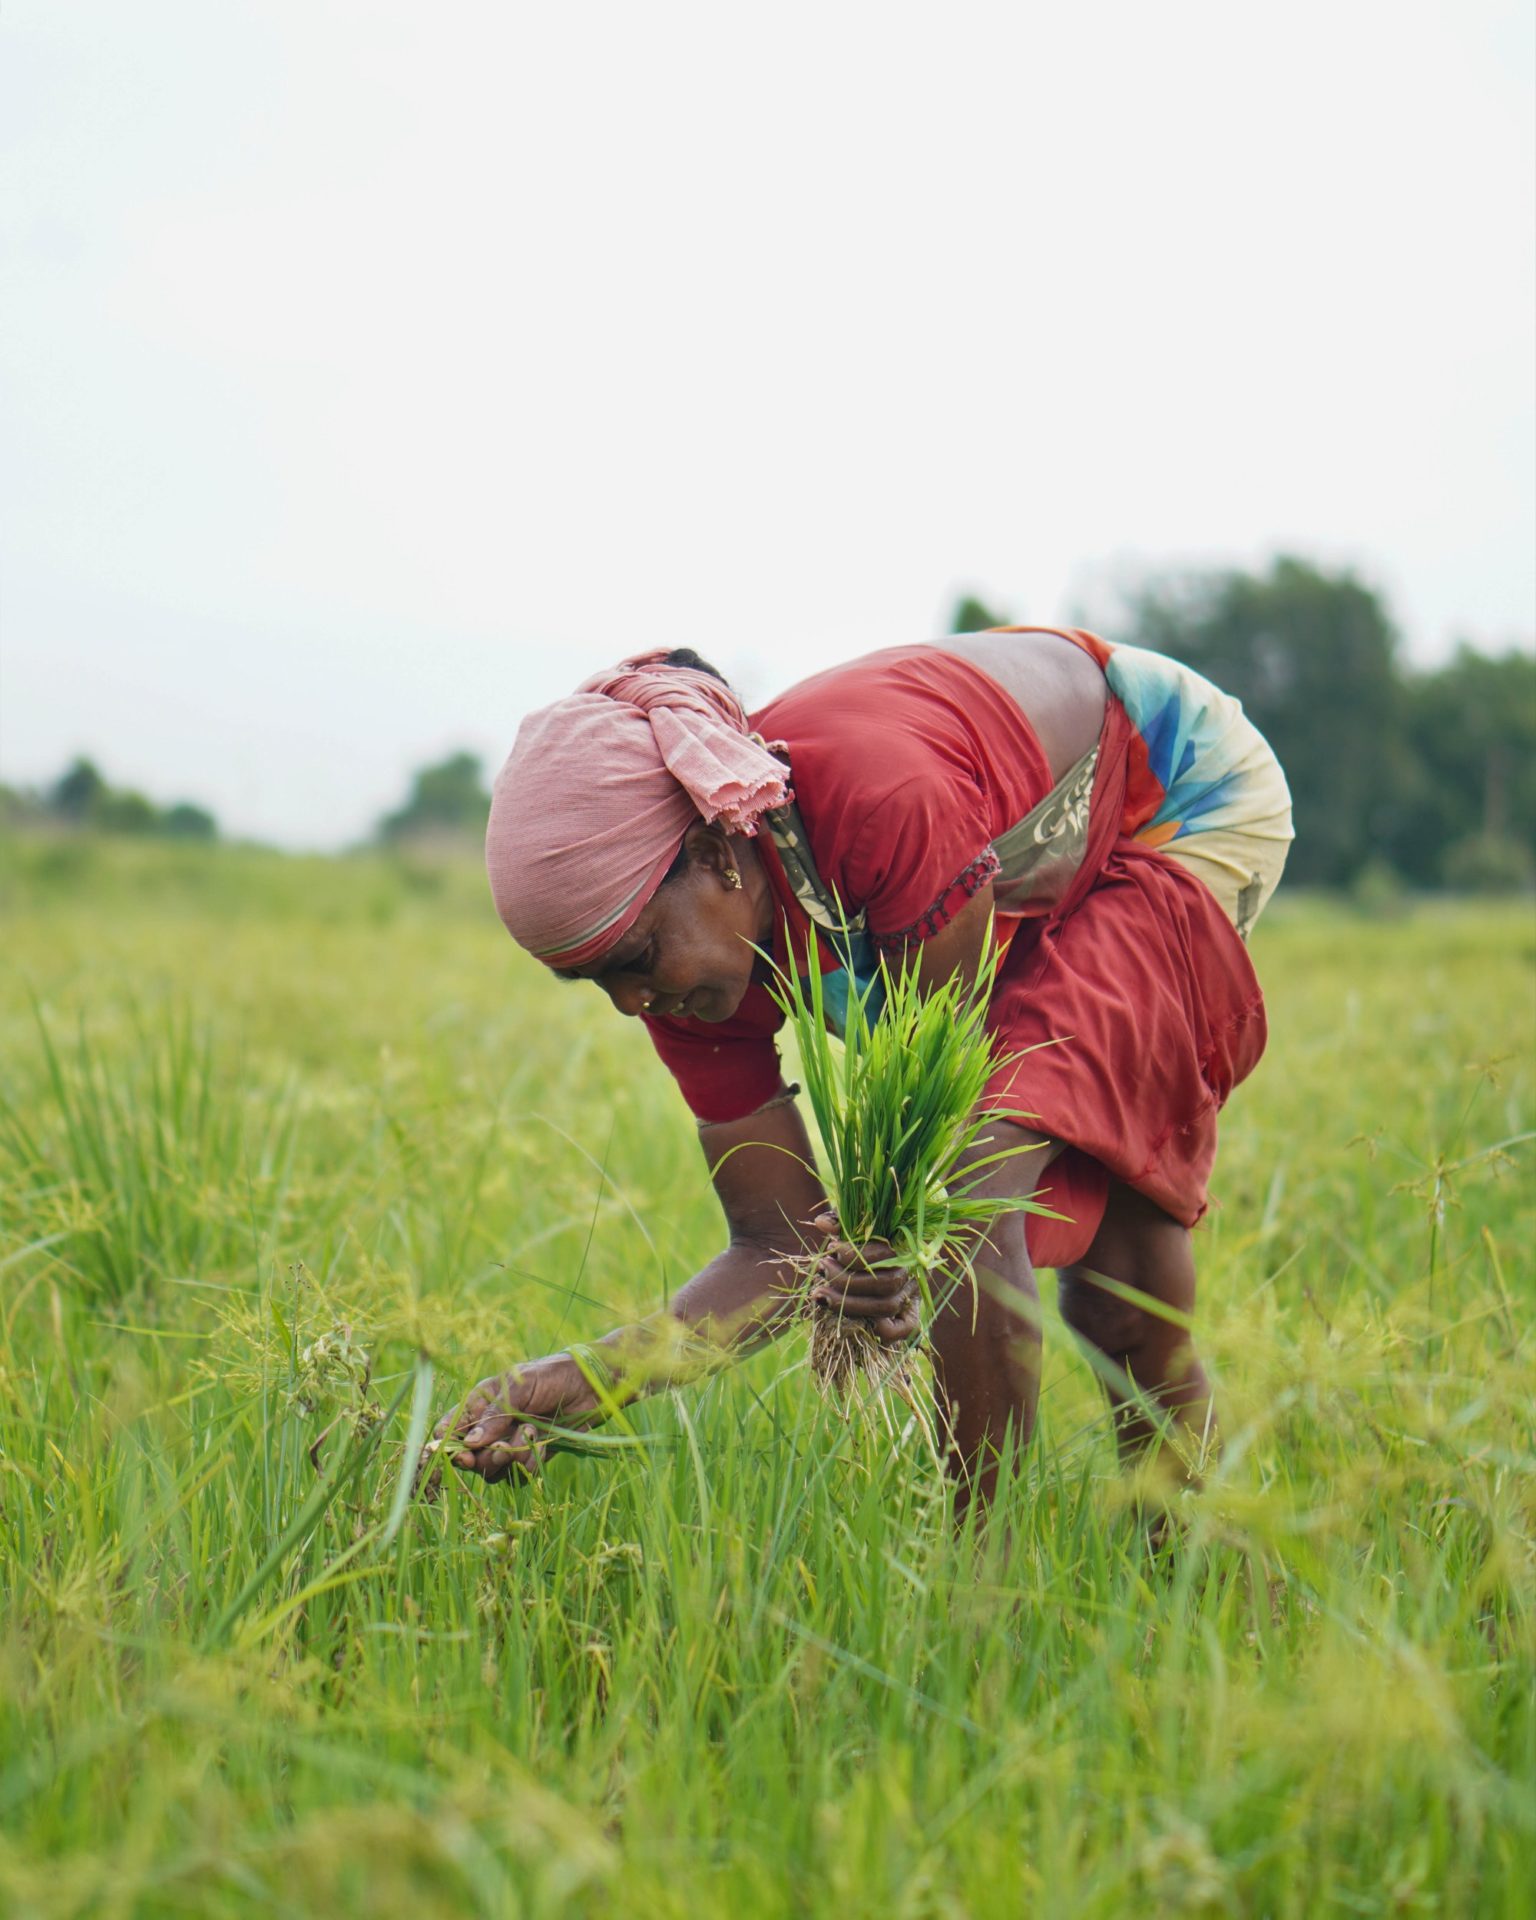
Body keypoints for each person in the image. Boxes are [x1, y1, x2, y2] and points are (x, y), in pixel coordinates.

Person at [434, 627, 1293, 1512]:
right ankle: (1215, 1590)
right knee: (1123, 1294)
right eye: (594, 981)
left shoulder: (875, 798)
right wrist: (587, 1379)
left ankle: (979, 1597)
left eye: (637, 956)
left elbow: (947, 1140)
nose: (627, 1003)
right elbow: (781, 1244)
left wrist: (886, 1242)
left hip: (1164, 795)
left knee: (973, 1172)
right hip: (1025, 873)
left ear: (716, 856)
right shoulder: (688, 987)